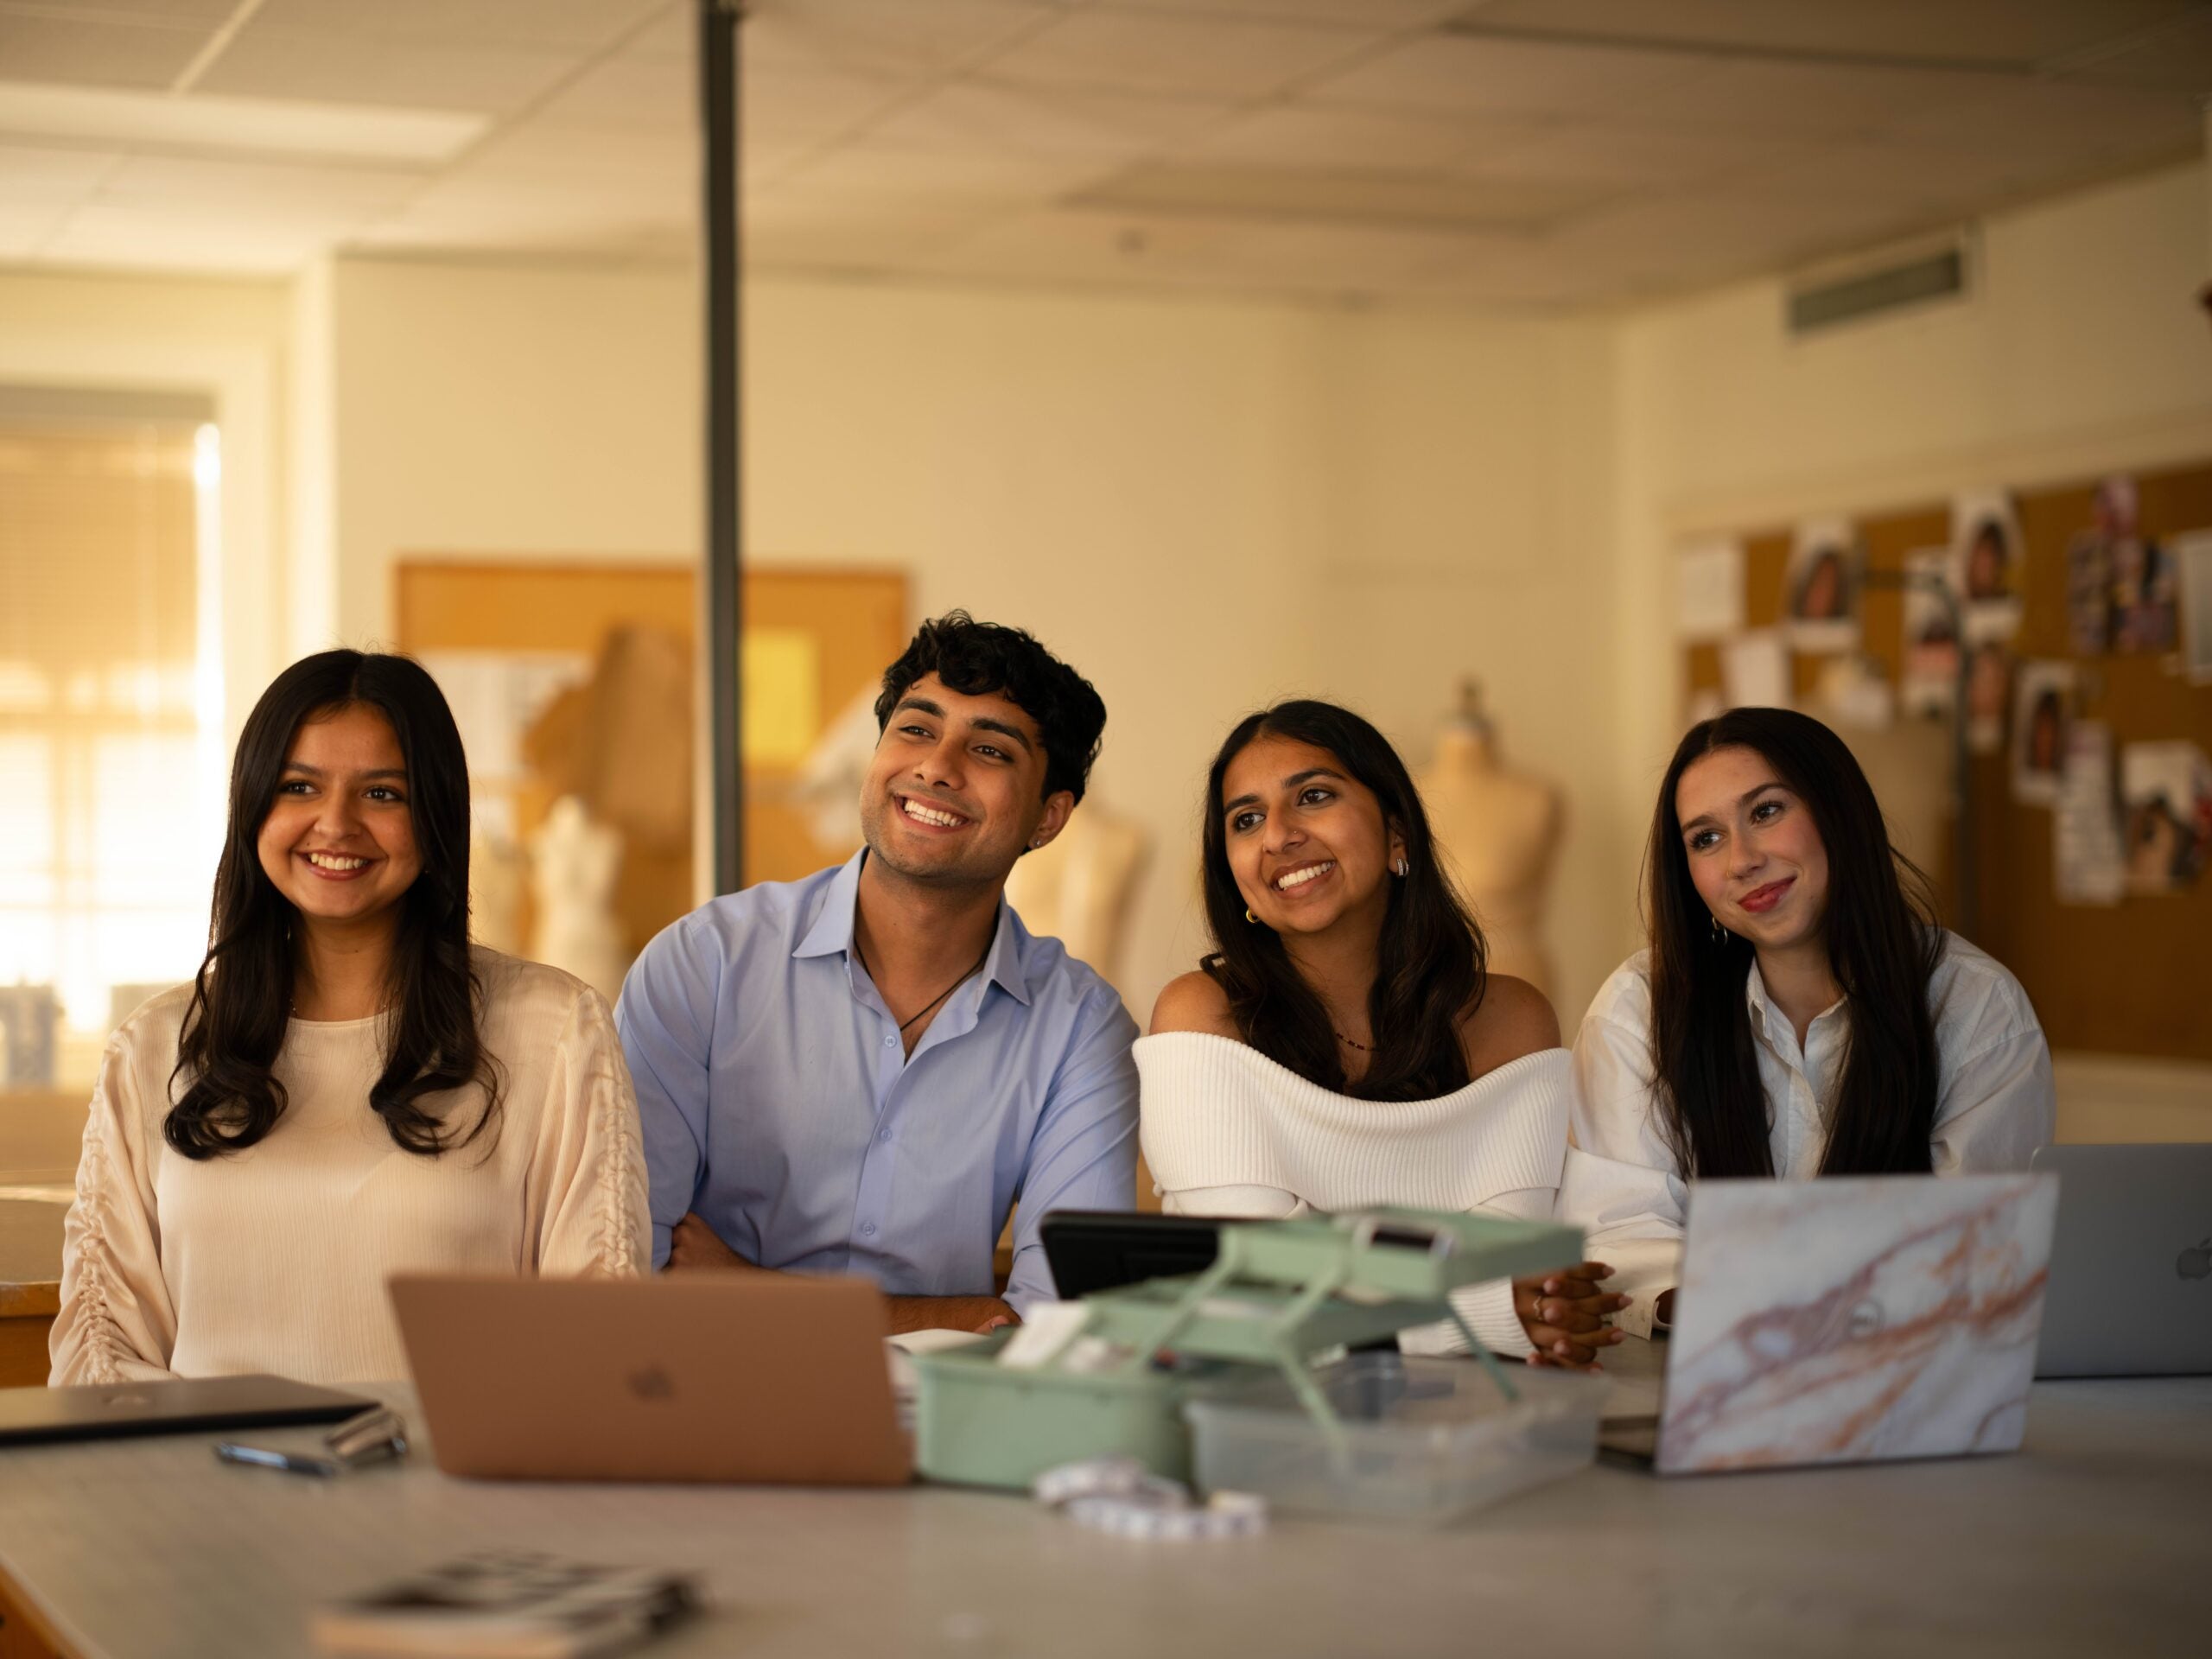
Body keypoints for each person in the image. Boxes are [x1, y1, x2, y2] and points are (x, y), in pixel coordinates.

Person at [50, 652, 650, 1387]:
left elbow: (595, 1331)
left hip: (456, 1494)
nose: (335, 824)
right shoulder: (154, 1047)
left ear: (434, 816)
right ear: (253, 809)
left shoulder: (555, 1030)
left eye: (383, 794)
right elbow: (102, 1341)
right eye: (299, 786)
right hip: (203, 1489)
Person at [619, 613, 1137, 1332]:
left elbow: (1059, 1329)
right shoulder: (704, 964)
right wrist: (966, 1314)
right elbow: (629, 1266)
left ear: (1048, 819)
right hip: (704, 1411)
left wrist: (751, 1291)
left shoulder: (1081, 1027)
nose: (937, 767)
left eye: (989, 749)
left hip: (942, 1429)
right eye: (917, 730)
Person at [1141, 701, 1625, 1369]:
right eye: (1246, 819)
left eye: (1313, 796)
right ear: (1236, 874)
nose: (1278, 836)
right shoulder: (1201, 1018)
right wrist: (1483, 1315)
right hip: (1269, 1420)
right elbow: (1244, 1294)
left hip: (1486, 1420)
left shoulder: (1513, 1020)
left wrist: (1498, 1304)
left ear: (1397, 832)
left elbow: (1513, 1260)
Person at [1561, 707, 2055, 1339]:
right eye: (1705, 839)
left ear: (1837, 812)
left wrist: (1777, 1300)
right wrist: (1742, 1309)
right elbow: (1623, 1234)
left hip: (1909, 1375)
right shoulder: (1639, 1007)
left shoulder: (1975, 1004)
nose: (1741, 860)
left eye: (1766, 811)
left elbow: (1972, 1245)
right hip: (1697, 1378)